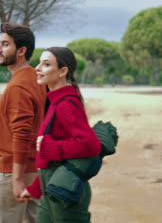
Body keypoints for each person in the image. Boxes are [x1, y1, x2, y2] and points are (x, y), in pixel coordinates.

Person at [21, 47, 101, 223]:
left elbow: (90, 145)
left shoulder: (66, 104)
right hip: (53, 187)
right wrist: (35, 188)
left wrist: (49, 147)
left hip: (65, 190)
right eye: (39, 62)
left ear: (62, 71)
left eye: (46, 64)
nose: (38, 68)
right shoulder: (55, 101)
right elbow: (51, 162)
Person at [0, 22, 47, 223]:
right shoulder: (36, 78)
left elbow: (21, 133)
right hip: (36, 169)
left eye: (5, 44)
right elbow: (35, 118)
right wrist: (5, 104)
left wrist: (16, 179)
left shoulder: (17, 86)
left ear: (21, 50)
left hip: (12, 171)